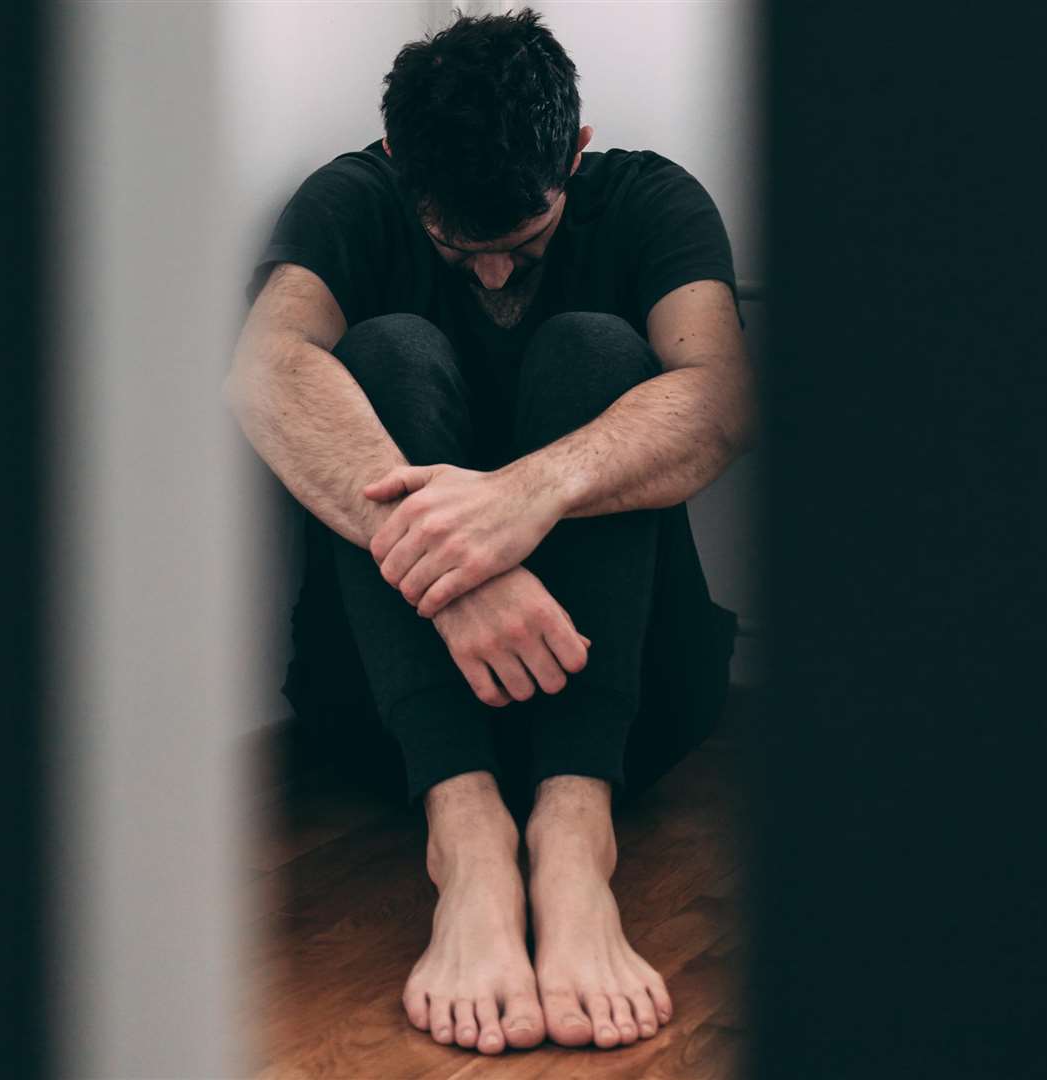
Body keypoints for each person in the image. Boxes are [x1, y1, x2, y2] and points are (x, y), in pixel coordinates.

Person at [225, 7, 757, 1055]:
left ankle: (572, 838)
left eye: (522, 244)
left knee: (597, 351)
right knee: (379, 353)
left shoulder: (648, 199)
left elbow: (724, 397)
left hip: (627, 697)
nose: (492, 274)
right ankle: (463, 843)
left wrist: (528, 495)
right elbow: (262, 370)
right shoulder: (353, 196)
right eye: (454, 246)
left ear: (576, 153)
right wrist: (459, 567)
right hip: (392, 717)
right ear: (396, 163)